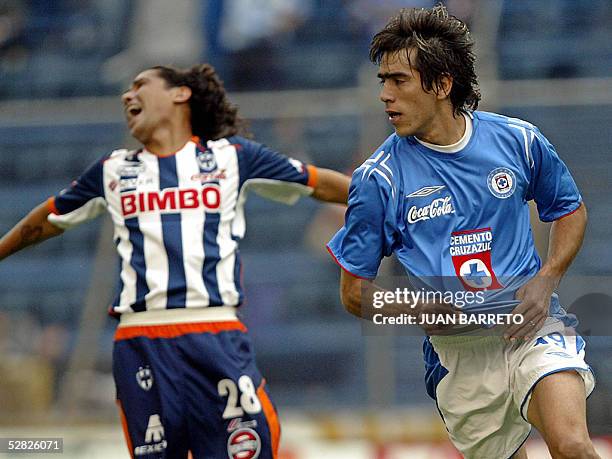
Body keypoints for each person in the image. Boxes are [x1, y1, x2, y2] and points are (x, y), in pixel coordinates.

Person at [0, 63, 350, 458]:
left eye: (140, 85)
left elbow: (317, 182)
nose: (127, 95)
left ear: (180, 94)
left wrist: (385, 200)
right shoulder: (113, 170)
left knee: (249, 447)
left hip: (214, 331)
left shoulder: (232, 157)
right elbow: (45, 220)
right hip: (142, 341)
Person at [327, 6, 599, 459]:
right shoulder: (378, 179)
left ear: (441, 85)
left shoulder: (519, 141)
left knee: (573, 445)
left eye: (399, 81)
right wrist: (417, 308)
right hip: (458, 356)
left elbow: (569, 209)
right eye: (383, 82)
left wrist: (548, 277)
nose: (385, 95)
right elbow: (354, 294)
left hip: (530, 326)